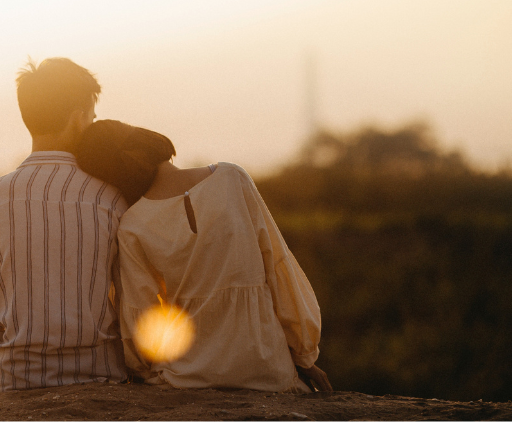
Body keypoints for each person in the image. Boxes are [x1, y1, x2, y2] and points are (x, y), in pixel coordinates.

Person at [74, 120, 333, 393]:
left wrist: (142, 369)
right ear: (146, 139)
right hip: (266, 368)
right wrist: (304, 356)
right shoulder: (232, 178)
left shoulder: (132, 226)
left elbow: (141, 317)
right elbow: (278, 267)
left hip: (185, 376)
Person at [0, 58, 128, 392]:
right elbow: (131, 302)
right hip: (101, 376)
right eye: (92, 118)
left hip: (16, 380)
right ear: (78, 118)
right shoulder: (112, 198)